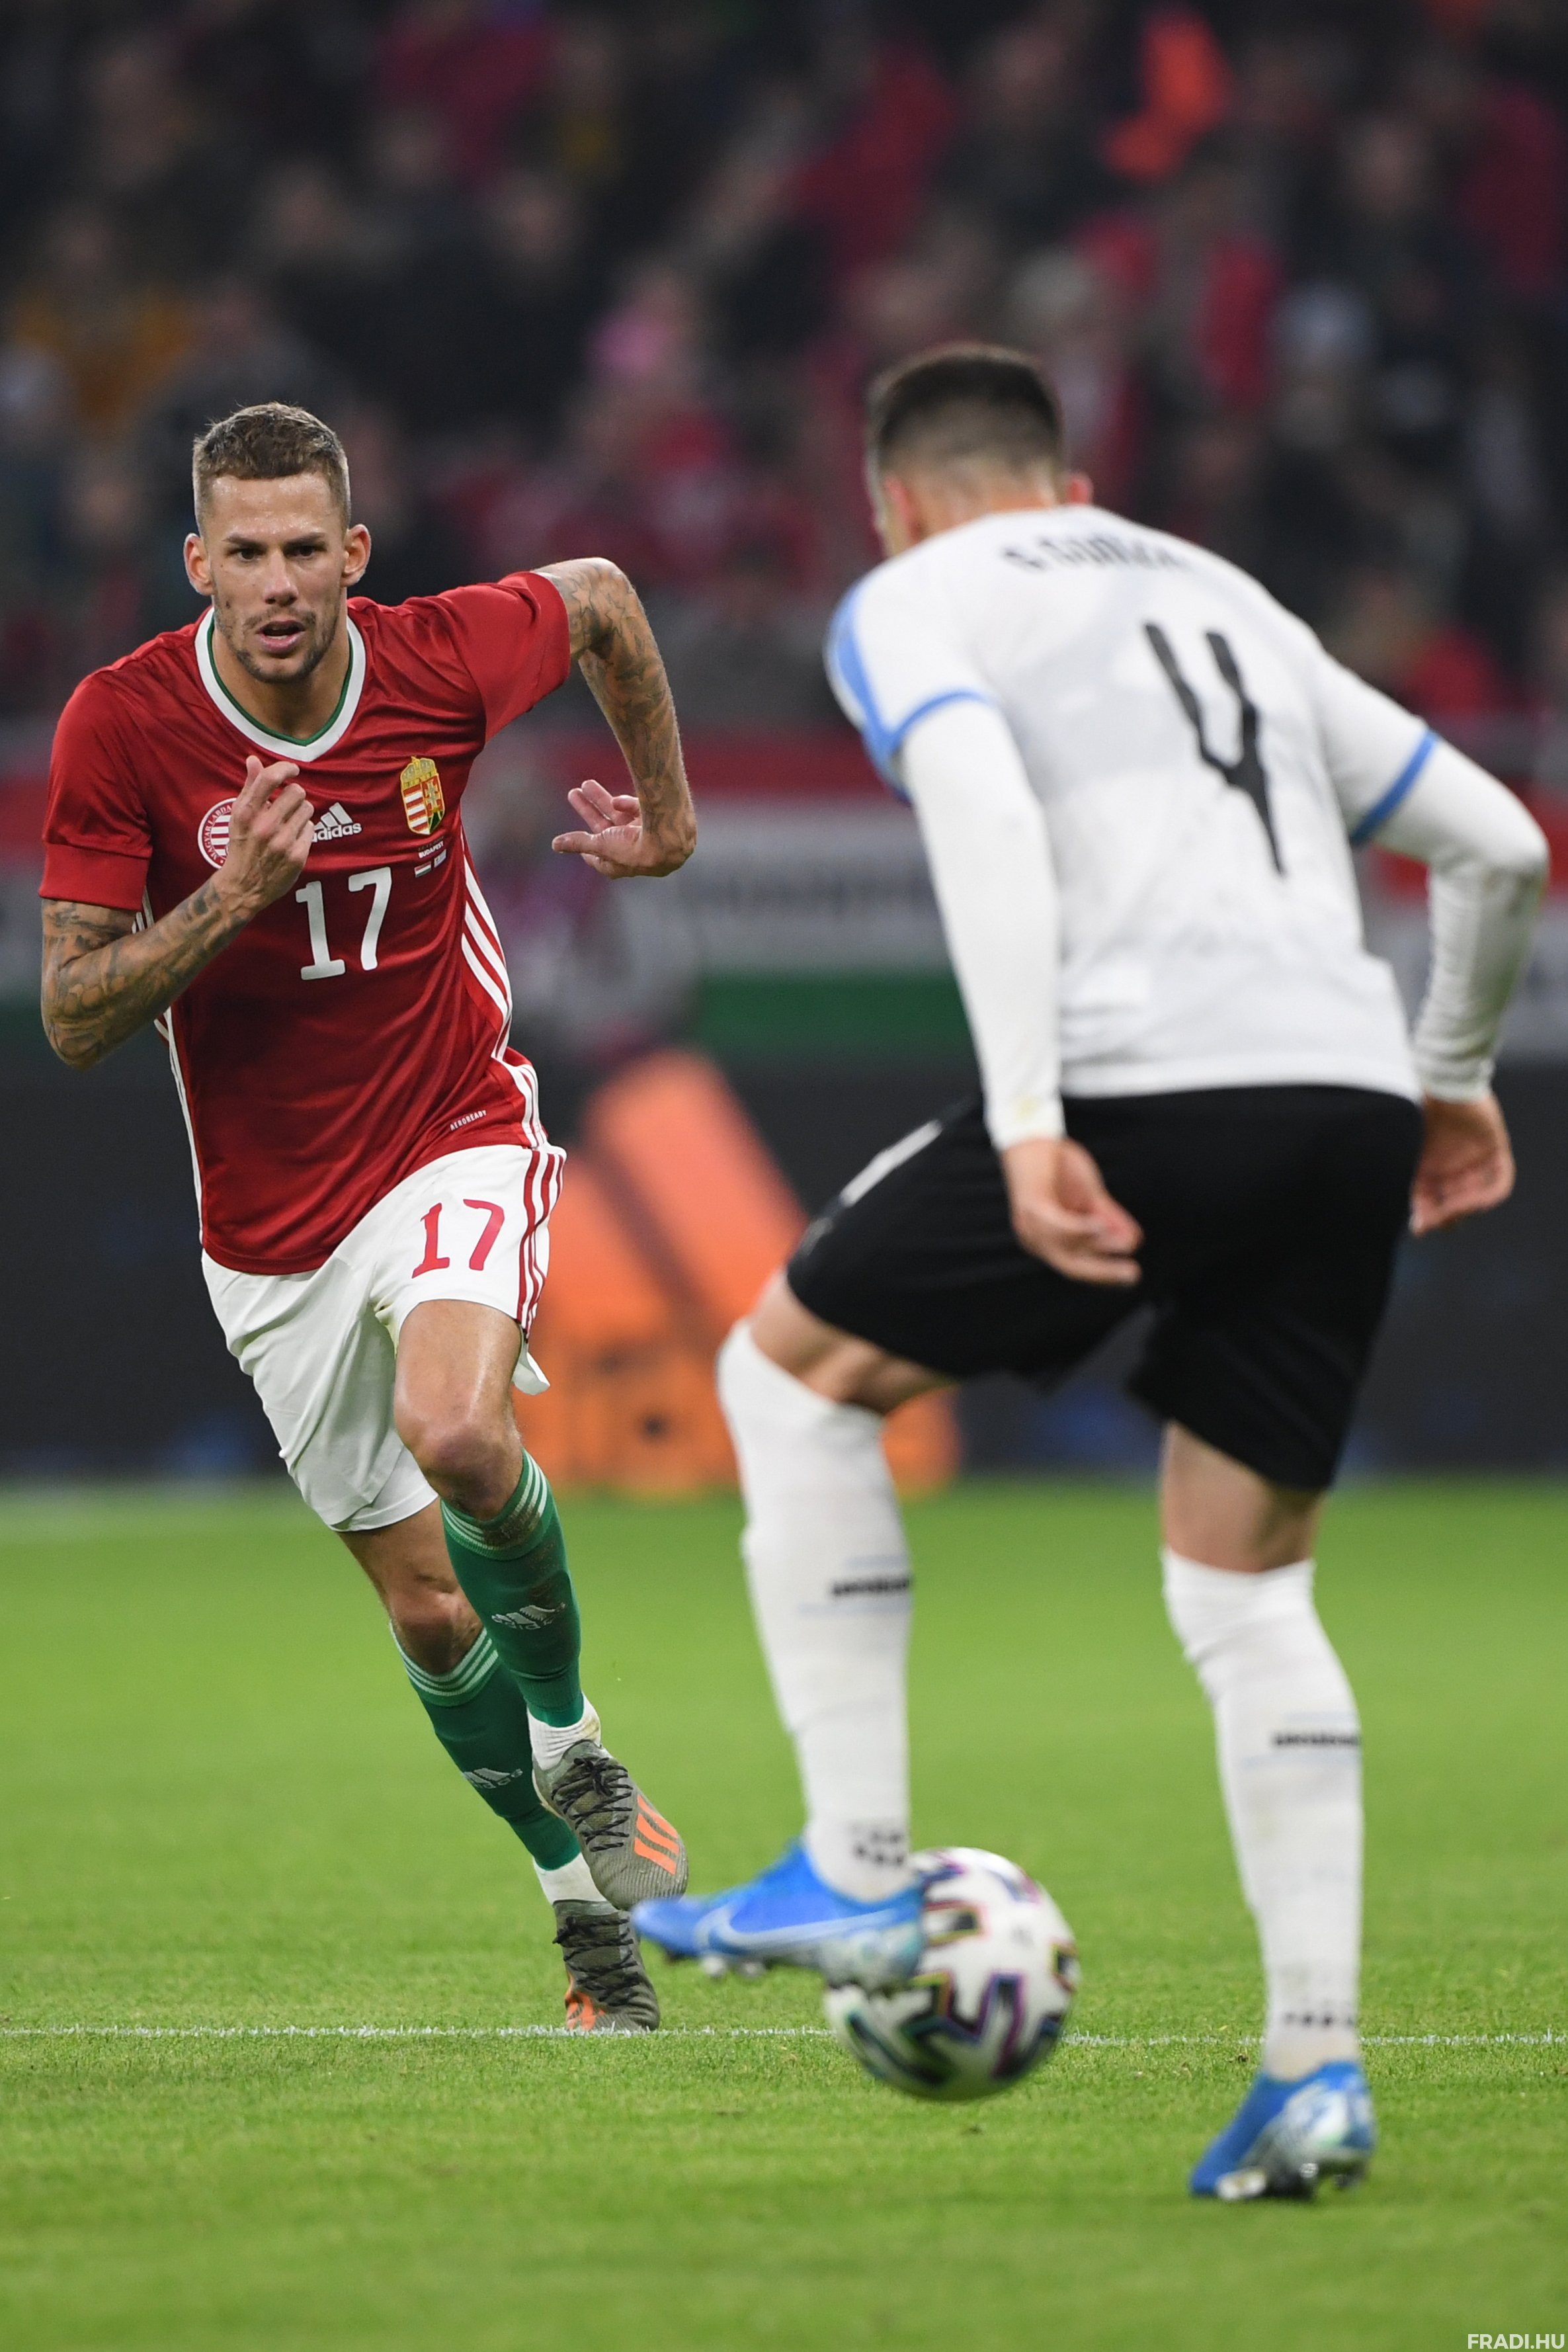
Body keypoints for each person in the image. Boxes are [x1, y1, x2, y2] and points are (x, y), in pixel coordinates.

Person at [633, 347, 1547, 2189]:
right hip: (1344, 1093)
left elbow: (978, 803)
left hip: (1145, 1073)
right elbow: (1501, 845)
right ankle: (1311, 2072)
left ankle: (857, 1866)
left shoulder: (912, 595)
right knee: (1247, 1585)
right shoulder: (1226, 594)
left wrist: (1030, 1111)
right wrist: (1447, 1071)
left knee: (785, 1374)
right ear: (1068, 485)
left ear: (895, 500)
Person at [40, 401, 696, 2034]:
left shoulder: (435, 662)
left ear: (354, 554)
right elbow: (71, 1014)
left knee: (459, 1429)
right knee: (424, 1606)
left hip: (448, 1126)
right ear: (198, 564)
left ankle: (575, 1742)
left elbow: (604, 596)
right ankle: (583, 1919)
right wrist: (231, 898)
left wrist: (669, 818)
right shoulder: (123, 722)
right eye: (243, 552)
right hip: (270, 1226)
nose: (276, 582)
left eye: (301, 549)